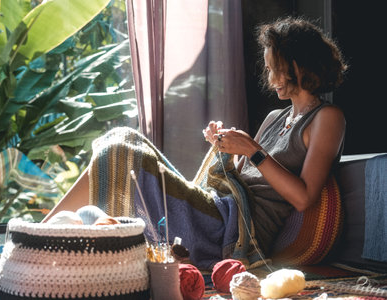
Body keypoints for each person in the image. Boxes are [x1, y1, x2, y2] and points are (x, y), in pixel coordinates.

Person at [42, 16, 347, 270]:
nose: (270, 78)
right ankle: (39, 236)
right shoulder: (274, 117)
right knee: (123, 139)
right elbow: (239, 178)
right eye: (268, 69)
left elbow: (304, 197)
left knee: (121, 150)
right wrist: (224, 145)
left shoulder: (327, 118)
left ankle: (36, 238)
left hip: (236, 230)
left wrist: (252, 150)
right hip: (219, 207)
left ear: (299, 65)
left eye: (274, 68)